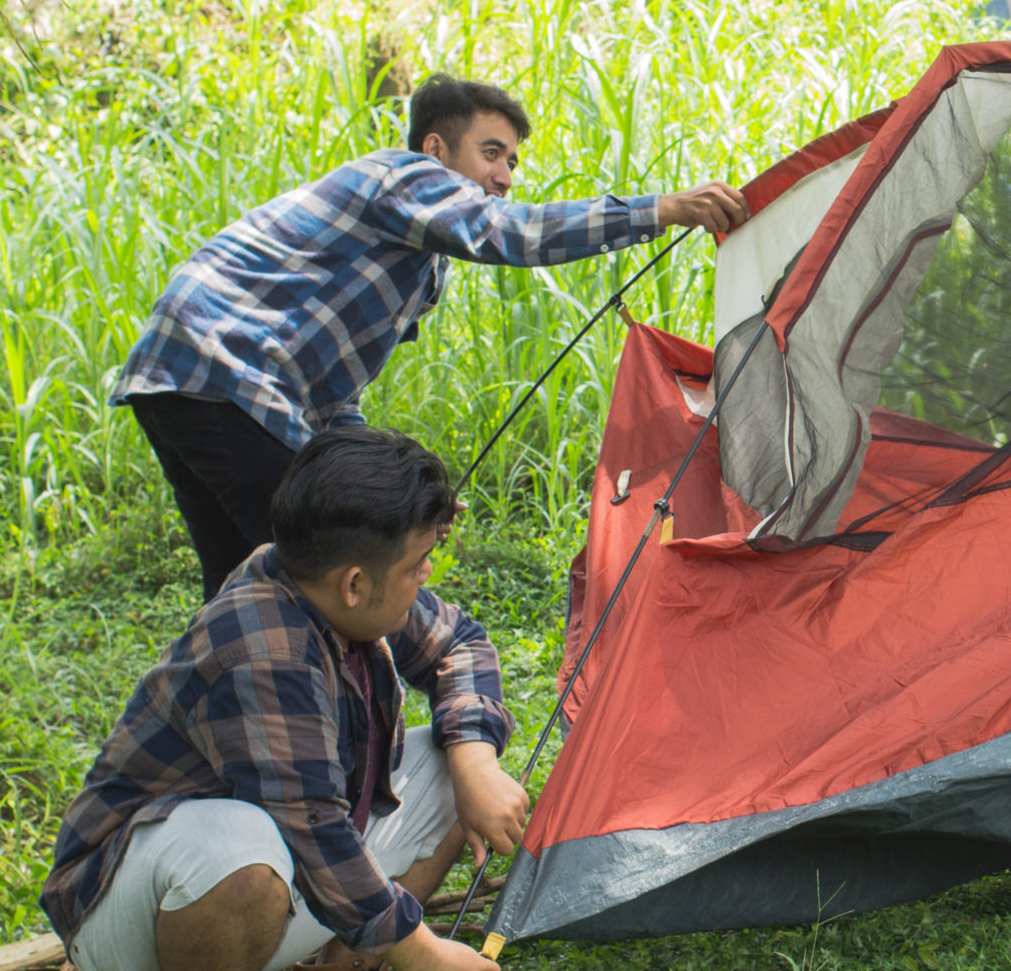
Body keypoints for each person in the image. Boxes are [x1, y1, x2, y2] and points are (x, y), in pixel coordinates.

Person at [116, 73, 750, 601]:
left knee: (242, 586)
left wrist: (404, 487)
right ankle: (337, 737)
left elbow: (334, 400)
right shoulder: (406, 177)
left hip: (182, 372)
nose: (506, 177)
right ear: (437, 149)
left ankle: (219, 735)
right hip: (227, 368)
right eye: (492, 153)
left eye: (513, 162)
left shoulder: (413, 256)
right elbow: (517, 234)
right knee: (323, 576)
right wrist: (660, 210)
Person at [44, 427, 523, 971]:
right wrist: (424, 953)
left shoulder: (329, 582)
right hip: (139, 913)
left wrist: (475, 761)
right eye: (420, 563)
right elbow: (313, 832)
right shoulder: (264, 645)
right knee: (239, 845)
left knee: (447, 761)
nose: (426, 577)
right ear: (355, 583)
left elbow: (462, 645)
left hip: (292, 871)